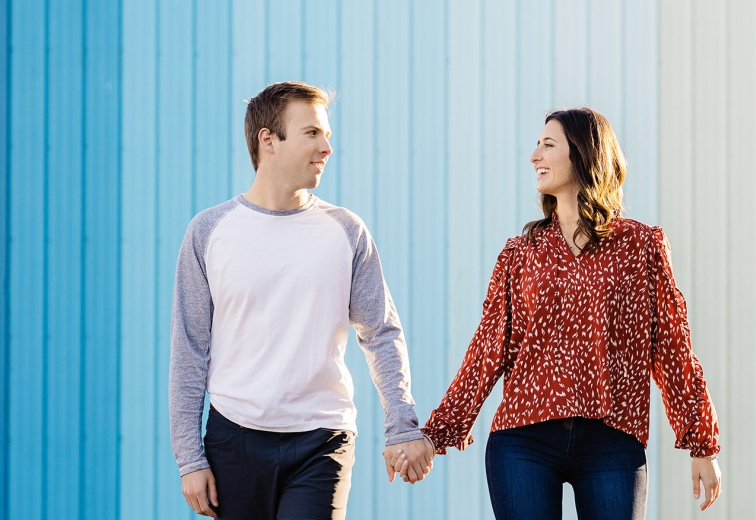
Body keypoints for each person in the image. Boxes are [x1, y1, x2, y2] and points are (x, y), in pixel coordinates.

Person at [395, 108, 721, 519]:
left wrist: (702, 445)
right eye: (537, 145)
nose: (535, 155)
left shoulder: (641, 245)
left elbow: (673, 347)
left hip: (612, 440)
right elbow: (487, 349)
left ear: (583, 153)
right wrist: (437, 434)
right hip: (523, 441)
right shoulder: (520, 253)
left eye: (548, 145)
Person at [169, 81, 434, 520]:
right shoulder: (208, 231)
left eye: (326, 134)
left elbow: (381, 334)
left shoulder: (347, 231)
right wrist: (189, 459)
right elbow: (189, 350)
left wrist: (401, 427)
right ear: (268, 140)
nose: (326, 147)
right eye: (312, 133)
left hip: (322, 440)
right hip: (233, 438)